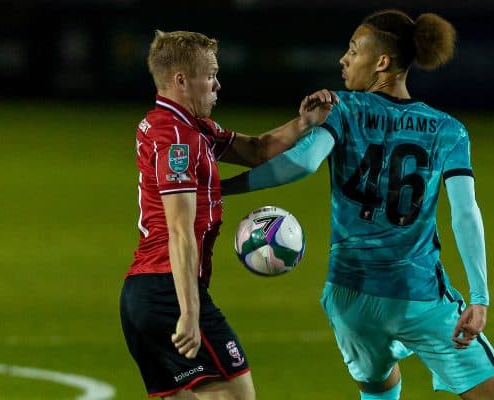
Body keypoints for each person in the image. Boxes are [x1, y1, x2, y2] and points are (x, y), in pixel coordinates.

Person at [221, 9, 494, 400]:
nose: (343, 60)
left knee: (379, 385)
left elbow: (304, 163)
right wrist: (479, 298)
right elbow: (465, 214)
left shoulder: (343, 109)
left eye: (353, 50)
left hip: (350, 296)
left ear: (381, 62)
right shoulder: (448, 130)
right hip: (418, 295)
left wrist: (223, 188)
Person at [119, 30, 337, 400]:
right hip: (167, 291)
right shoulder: (177, 139)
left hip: (141, 295)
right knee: (237, 395)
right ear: (181, 80)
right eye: (211, 75)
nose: (218, 84)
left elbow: (255, 149)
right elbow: (180, 230)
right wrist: (189, 312)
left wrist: (304, 123)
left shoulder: (186, 127)